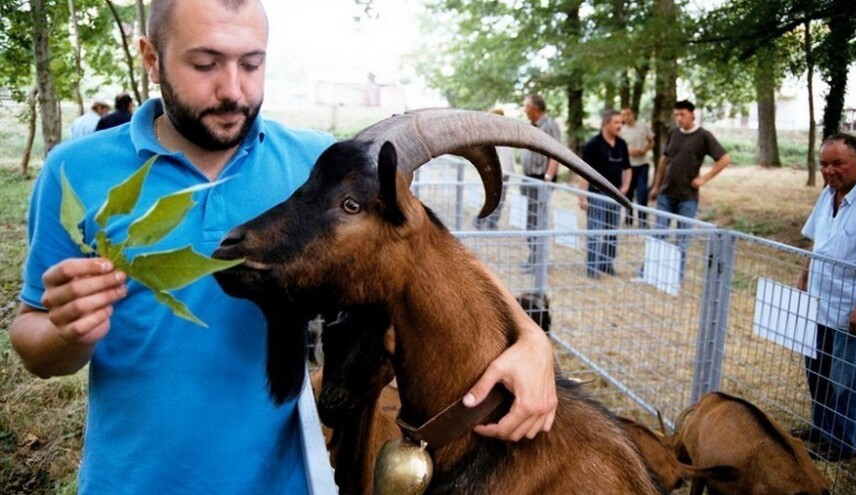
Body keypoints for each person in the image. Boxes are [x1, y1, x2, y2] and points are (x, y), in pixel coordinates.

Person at [8, 0, 557, 493]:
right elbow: (32, 340)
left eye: (252, 63)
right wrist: (63, 331)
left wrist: (533, 342)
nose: (233, 90)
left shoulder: (321, 171)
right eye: (204, 64)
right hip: (130, 481)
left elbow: (425, 251)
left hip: (286, 482)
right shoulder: (76, 172)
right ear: (151, 57)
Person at [792, 133, 856, 462]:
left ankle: (842, 444)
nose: (829, 171)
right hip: (822, 303)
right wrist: (803, 276)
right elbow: (818, 240)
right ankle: (821, 429)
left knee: (848, 381)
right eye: (824, 164)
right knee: (818, 372)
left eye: (837, 163)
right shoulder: (829, 193)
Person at [648, 99, 731, 278]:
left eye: (682, 115)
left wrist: (705, 178)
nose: (679, 118)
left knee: (682, 239)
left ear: (692, 115)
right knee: (658, 234)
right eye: (676, 114)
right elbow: (663, 160)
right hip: (666, 193)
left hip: (688, 197)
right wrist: (656, 186)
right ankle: (649, 273)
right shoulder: (673, 133)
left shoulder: (703, 136)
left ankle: (676, 277)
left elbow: (724, 159)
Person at [578, 109, 631, 277]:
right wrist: (583, 196)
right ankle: (592, 269)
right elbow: (584, 172)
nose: (620, 126)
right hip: (596, 196)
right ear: (606, 123)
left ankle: (607, 264)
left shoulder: (622, 144)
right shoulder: (592, 145)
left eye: (621, 122)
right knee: (595, 232)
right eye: (616, 122)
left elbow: (627, 168)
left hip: (615, 196)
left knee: (612, 232)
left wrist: (626, 187)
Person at [520, 94, 561, 270]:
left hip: (540, 180)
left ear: (536, 108)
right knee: (531, 220)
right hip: (530, 179)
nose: (525, 110)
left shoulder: (549, 125)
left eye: (527, 106)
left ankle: (539, 261)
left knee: (538, 221)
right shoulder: (533, 125)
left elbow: (556, 153)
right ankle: (533, 257)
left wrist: (548, 178)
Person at [474, 107, 516, 231]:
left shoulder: (506, 133)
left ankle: (491, 222)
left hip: (504, 171)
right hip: (496, 171)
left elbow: (508, 155)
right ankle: (481, 220)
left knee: (500, 199)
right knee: (492, 198)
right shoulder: (490, 134)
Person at [619, 106, 653, 228]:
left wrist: (644, 149)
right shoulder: (621, 130)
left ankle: (643, 221)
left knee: (642, 193)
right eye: (623, 115)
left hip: (642, 164)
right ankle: (628, 219)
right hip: (628, 166)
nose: (626, 117)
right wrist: (627, 151)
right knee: (628, 192)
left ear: (633, 114)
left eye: (628, 114)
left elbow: (651, 142)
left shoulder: (643, 126)